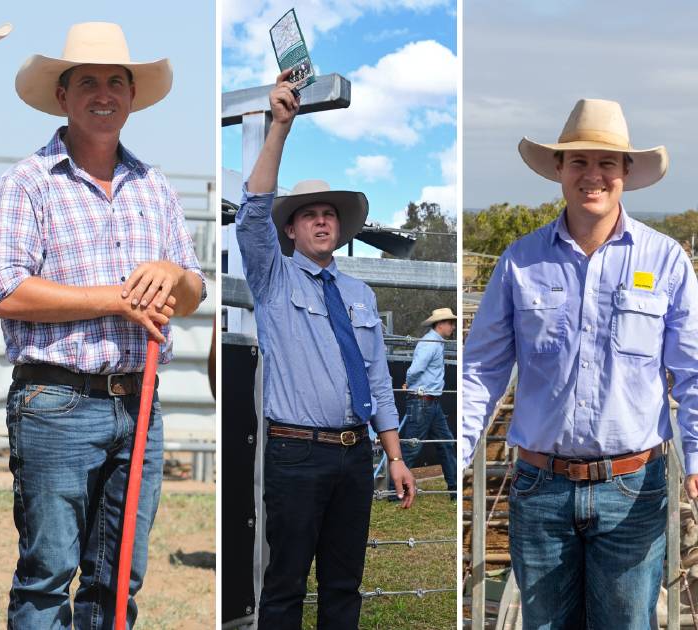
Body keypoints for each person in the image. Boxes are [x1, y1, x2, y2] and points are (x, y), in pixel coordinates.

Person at [0, 22, 205, 629]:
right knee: (47, 576)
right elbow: (6, 291)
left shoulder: (154, 187)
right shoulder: (25, 184)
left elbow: (192, 287)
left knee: (119, 578)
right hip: (56, 400)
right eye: (87, 82)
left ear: (132, 97)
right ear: (62, 96)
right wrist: (117, 299)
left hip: (139, 403)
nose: (103, 93)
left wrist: (170, 274)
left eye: (115, 82)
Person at [461, 98, 698, 628]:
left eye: (606, 164)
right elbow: (482, 369)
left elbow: (693, 372)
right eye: (579, 163)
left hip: (633, 487)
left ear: (626, 174)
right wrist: (455, 449)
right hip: (540, 487)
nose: (592, 176)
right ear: (560, 172)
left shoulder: (665, 261)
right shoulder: (519, 261)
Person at [235, 71, 415, 629]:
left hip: (354, 453)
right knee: (285, 582)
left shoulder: (359, 294)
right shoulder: (273, 278)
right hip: (296, 452)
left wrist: (395, 453)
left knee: (345, 583)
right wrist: (280, 129)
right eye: (309, 213)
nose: (320, 219)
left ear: (339, 228)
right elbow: (251, 211)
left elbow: (378, 379)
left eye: (328, 213)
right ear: (289, 230)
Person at [389, 307, 457, 499]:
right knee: (412, 447)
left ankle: (454, 489)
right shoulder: (429, 344)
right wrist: (409, 382)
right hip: (422, 401)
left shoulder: (436, 343)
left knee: (445, 443)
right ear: (440, 324)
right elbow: (416, 368)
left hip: (431, 402)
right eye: (450, 323)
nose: (452, 326)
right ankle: (396, 492)